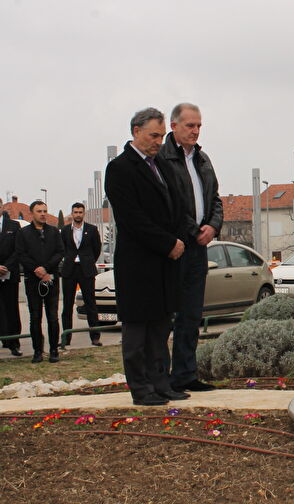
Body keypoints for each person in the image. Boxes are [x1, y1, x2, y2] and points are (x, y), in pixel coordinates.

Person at [104, 107, 189, 406]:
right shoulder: (120, 169)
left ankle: (161, 383)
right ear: (136, 131)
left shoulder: (162, 166)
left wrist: (180, 238)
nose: (158, 141)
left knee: (159, 329)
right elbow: (132, 218)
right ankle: (141, 389)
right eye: (153, 135)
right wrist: (168, 243)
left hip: (165, 264)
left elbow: (177, 206)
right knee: (138, 332)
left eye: (162, 135)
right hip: (138, 265)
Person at [157, 103, 223, 393]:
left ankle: (185, 375)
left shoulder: (203, 159)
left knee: (191, 315)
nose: (195, 131)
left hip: (198, 248)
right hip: (175, 247)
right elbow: (168, 203)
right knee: (165, 315)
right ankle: (161, 378)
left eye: (199, 126)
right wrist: (194, 230)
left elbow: (216, 199)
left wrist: (213, 226)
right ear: (174, 126)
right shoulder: (162, 158)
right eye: (189, 126)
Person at [15, 201, 64, 363]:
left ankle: (54, 350)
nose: (43, 214)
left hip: (50, 279)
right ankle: (37, 351)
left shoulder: (54, 232)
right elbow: (21, 254)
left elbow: (60, 252)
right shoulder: (24, 233)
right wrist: (36, 269)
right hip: (32, 280)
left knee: (52, 317)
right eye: (39, 211)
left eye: (45, 211)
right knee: (35, 317)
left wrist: (46, 269)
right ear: (32, 213)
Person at [60, 202, 102, 348]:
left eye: (80, 212)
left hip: (86, 271)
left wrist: (87, 261)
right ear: (72, 214)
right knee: (67, 305)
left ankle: (95, 336)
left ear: (84, 214)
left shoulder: (92, 229)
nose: (78, 215)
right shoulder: (65, 230)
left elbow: (97, 249)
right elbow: (62, 248)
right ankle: (66, 337)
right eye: (75, 212)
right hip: (69, 270)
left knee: (91, 304)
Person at [0, 211, 22, 357]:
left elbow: (18, 249)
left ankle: (14, 343)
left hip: (9, 274)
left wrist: (6, 267)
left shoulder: (14, 225)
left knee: (11, 309)